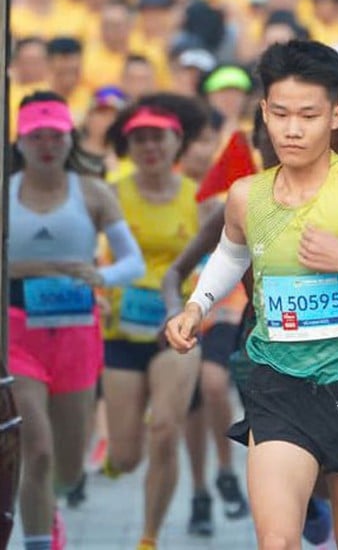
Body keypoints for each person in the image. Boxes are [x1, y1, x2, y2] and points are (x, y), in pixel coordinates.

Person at [162, 40, 338, 549]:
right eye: (281, 113)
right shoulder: (248, 195)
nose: (292, 129)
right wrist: (196, 306)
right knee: (278, 541)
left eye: (308, 115)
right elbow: (232, 255)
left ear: (336, 115)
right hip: (278, 387)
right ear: (263, 111)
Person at [9, 92, 146, 550]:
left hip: (75, 332)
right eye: (36, 136)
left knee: (67, 470)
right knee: (38, 447)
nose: (47, 145)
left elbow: (133, 263)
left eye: (55, 135)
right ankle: (36, 539)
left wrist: (99, 275)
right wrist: (19, 271)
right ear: (20, 142)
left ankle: (50, 508)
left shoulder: (92, 192)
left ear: (70, 139)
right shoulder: (6, 192)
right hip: (15, 332)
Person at [97, 96, 206, 550]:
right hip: (121, 332)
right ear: (128, 145)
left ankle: (149, 537)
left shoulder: (197, 196)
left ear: (175, 141)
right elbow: (89, 247)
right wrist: (96, 293)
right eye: (138, 139)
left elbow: (218, 256)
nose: (148, 147)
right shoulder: (111, 192)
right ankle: (122, 442)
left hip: (176, 328)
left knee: (165, 428)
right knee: (123, 457)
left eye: (156, 138)